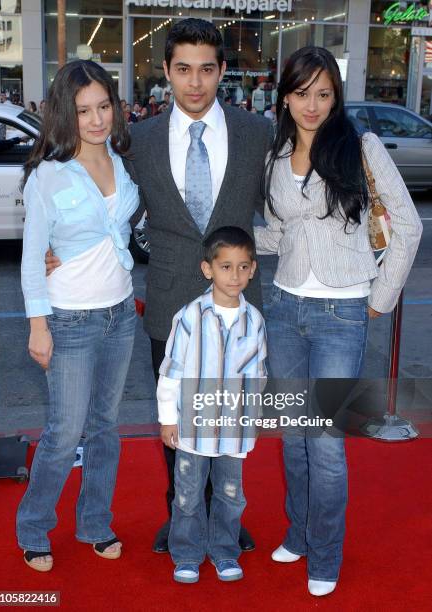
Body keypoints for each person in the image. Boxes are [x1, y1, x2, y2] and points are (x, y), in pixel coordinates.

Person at [255, 46, 423, 596]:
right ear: (285, 95)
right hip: (283, 306)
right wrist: (220, 242)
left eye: (323, 94)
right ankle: (300, 534)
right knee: (293, 436)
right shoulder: (275, 153)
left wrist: (381, 295)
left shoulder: (362, 147)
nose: (312, 105)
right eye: (302, 93)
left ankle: (324, 554)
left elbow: (407, 225)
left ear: (336, 96)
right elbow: (280, 234)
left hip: (340, 312)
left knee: (324, 440)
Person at [126, 18, 273, 554]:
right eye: (183, 70)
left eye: (206, 70)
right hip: (168, 300)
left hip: (237, 302)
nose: (195, 83)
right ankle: (180, 515)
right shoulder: (137, 139)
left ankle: (223, 517)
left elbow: (281, 204)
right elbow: (115, 204)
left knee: (228, 415)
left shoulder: (255, 133)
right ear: (165, 71)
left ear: (222, 71)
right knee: (176, 419)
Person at [16, 60, 139, 572]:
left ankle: (94, 522)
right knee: (64, 432)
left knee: (106, 427)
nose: (96, 119)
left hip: (121, 313)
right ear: (66, 114)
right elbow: (31, 256)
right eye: (84, 110)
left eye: (104, 106)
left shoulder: (122, 158)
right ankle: (33, 526)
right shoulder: (47, 175)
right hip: (68, 319)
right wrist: (37, 326)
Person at [157, 226, 267, 583]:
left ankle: (224, 551)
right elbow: (170, 370)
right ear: (208, 269)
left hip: (234, 430)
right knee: (187, 497)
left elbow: (258, 375)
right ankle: (187, 554)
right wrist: (167, 418)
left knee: (231, 496)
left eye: (242, 267)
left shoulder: (255, 321)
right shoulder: (190, 317)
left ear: (252, 269)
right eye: (225, 267)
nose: (234, 275)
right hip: (192, 429)